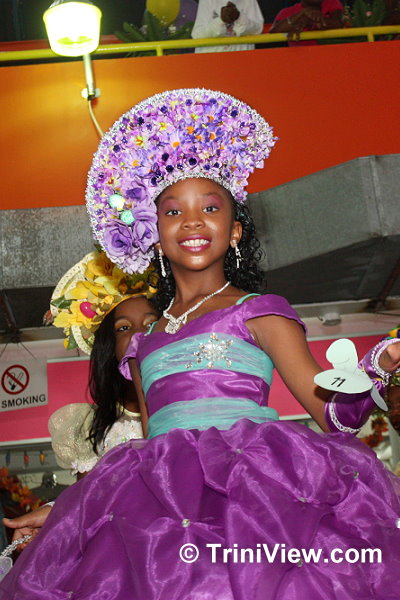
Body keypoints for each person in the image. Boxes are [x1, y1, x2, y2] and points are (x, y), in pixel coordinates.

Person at [1, 88, 400, 599]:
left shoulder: (260, 311)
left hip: (256, 501)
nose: (192, 221)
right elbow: (146, 444)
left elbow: (336, 420)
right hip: (159, 520)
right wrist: (66, 512)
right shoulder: (144, 343)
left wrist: (379, 364)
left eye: (210, 207)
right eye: (173, 212)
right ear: (156, 235)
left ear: (234, 230)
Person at [2, 250, 158, 552]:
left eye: (151, 324)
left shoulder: (190, 408)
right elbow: (86, 501)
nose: (139, 335)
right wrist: (52, 516)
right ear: (110, 348)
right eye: (124, 328)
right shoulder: (89, 426)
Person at [192, 0, 264, 52]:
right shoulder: (206, 1)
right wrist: (220, 21)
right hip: (212, 60)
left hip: (241, 58)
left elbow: (258, 29)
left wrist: (239, 17)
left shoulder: (249, 1)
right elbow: (197, 34)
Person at [269, 0, 343, 44]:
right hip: (299, 58)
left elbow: (338, 24)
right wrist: (302, 13)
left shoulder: (332, 2)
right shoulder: (287, 12)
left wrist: (309, 20)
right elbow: (274, 32)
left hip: (330, 57)